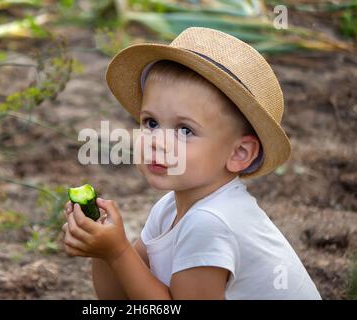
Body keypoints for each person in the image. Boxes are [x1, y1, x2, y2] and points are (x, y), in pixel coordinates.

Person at [61, 27, 321, 300]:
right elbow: (119, 298)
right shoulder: (170, 208)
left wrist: (117, 251)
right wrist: (103, 251)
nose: (157, 142)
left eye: (185, 130)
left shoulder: (210, 224)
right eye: (151, 122)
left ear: (239, 153)